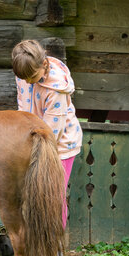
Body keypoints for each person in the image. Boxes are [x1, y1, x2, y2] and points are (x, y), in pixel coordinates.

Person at [12, 40, 82, 228]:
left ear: (44, 64)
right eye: (24, 78)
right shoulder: (25, 75)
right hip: (35, 139)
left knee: (53, 196)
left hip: (60, 144)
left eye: (32, 77)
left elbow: (52, 132)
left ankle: (56, 238)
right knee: (34, 194)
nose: (28, 82)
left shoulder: (56, 89)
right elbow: (22, 107)